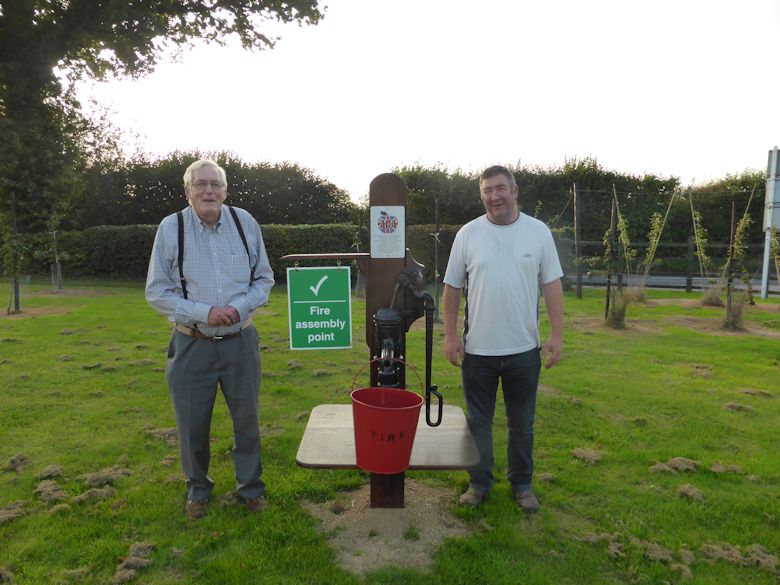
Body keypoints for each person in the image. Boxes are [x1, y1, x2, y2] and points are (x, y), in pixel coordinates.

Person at [146, 159, 275, 519]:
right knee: (192, 425)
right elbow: (157, 291)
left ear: (225, 190)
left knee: (247, 421)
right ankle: (198, 490)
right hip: (192, 343)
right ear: (187, 192)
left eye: (215, 184)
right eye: (200, 184)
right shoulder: (172, 228)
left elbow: (264, 279)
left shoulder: (244, 222)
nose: (208, 191)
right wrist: (206, 312)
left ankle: (251, 489)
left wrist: (237, 308)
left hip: (241, 342)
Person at [443, 165, 564, 512]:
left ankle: (522, 485)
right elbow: (452, 288)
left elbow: (552, 286)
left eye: (499, 189)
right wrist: (451, 335)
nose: (494, 197)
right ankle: (479, 484)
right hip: (478, 351)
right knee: (478, 423)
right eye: (487, 191)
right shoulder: (468, 234)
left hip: (524, 350)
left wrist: (556, 334)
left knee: (522, 424)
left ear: (514, 190)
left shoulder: (538, 233)